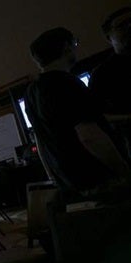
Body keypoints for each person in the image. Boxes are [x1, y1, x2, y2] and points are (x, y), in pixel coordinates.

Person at [24, 27, 130, 199]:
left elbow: (41, 140)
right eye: (75, 44)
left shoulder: (30, 93)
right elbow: (89, 135)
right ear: (66, 47)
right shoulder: (67, 84)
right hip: (99, 181)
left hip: (71, 187)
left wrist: (53, 177)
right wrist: (123, 170)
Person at [89, 7, 131, 158]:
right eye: (122, 25)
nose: (130, 27)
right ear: (109, 37)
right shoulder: (102, 74)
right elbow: (96, 116)